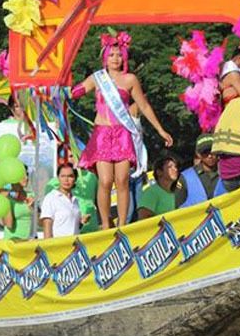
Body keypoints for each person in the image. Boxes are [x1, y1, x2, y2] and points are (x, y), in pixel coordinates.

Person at [72, 31, 173, 229]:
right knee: (105, 180)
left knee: (122, 180)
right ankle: (105, 225)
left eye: (119, 55)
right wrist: (58, 89)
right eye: (111, 55)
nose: (115, 59)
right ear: (105, 58)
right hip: (102, 133)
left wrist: (161, 130)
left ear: (124, 57)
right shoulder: (98, 78)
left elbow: (143, 106)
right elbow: (77, 91)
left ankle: (122, 225)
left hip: (122, 134)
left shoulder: (130, 80)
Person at [175, 135, 226, 207]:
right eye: (205, 152)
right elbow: (177, 207)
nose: (210, 156)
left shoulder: (228, 171)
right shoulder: (186, 177)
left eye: (212, 151)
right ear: (198, 154)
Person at [40, 163, 82, 239]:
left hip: (74, 246)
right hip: (58, 246)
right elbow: (47, 225)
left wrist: (81, 222)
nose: (66, 180)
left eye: (70, 176)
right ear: (58, 178)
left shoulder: (75, 200)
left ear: (75, 179)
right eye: (63, 176)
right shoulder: (51, 198)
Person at [137, 155, 179, 220]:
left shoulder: (174, 194)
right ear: (159, 172)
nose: (175, 169)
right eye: (170, 167)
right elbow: (143, 217)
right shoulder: (151, 192)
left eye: (175, 167)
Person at [0, 176, 34, 240]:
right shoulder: (6, 198)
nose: (26, 178)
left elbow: (40, 223)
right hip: (12, 243)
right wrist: (6, 201)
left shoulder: (32, 195)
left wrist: (33, 207)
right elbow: (9, 225)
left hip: (29, 242)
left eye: (27, 174)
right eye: (22, 175)